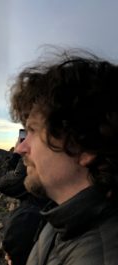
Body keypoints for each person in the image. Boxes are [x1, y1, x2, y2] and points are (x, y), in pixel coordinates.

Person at [8, 49, 118, 264]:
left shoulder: (100, 255)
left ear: (83, 148)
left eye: (33, 131)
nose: (21, 148)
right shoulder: (64, 218)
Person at [0, 136, 50, 265]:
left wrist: (16, 155)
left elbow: (10, 184)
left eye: (34, 132)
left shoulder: (29, 216)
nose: (22, 147)